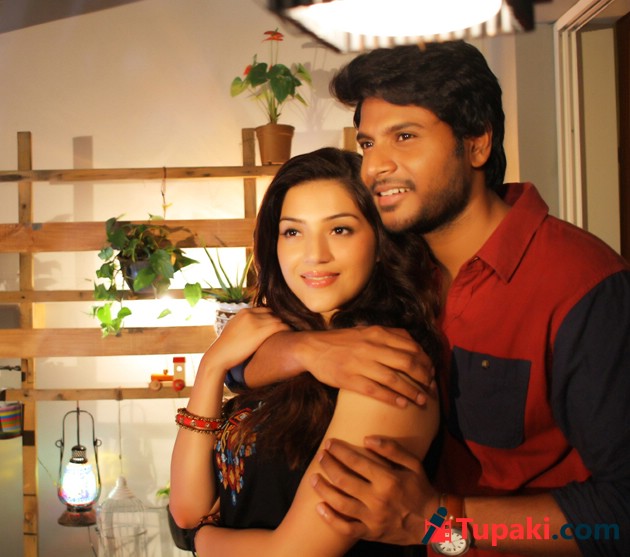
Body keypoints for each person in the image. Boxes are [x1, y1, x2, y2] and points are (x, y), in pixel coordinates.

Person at [231, 41, 630, 556]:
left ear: (477, 143)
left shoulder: (581, 285)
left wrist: (440, 521)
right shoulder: (395, 260)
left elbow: (620, 517)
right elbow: (240, 359)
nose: (375, 167)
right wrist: (303, 350)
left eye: (405, 137)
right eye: (368, 143)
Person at [169, 147, 443, 556]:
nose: (315, 255)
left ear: (380, 243)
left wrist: (200, 542)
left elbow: (292, 553)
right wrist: (212, 366)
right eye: (293, 232)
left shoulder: (385, 363)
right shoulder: (277, 341)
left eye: (340, 230)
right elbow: (188, 509)